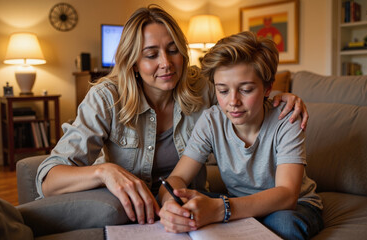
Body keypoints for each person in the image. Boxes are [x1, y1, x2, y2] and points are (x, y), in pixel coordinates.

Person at [36, 5, 309, 226]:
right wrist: (104, 172)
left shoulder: (202, 87)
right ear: (133, 62)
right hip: (134, 205)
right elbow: (49, 180)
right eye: (151, 54)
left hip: (183, 201)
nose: (166, 63)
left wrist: (280, 97)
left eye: (173, 50)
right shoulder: (108, 98)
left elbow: (243, 92)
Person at [158, 31, 323, 239]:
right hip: (237, 204)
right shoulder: (211, 120)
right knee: (190, 205)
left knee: (283, 224)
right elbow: (178, 177)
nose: (233, 102)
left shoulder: (286, 119)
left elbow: (287, 195)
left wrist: (221, 209)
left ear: (267, 88)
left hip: (294, 206)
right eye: (223, 91)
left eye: (245, 90)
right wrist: (172, 205)